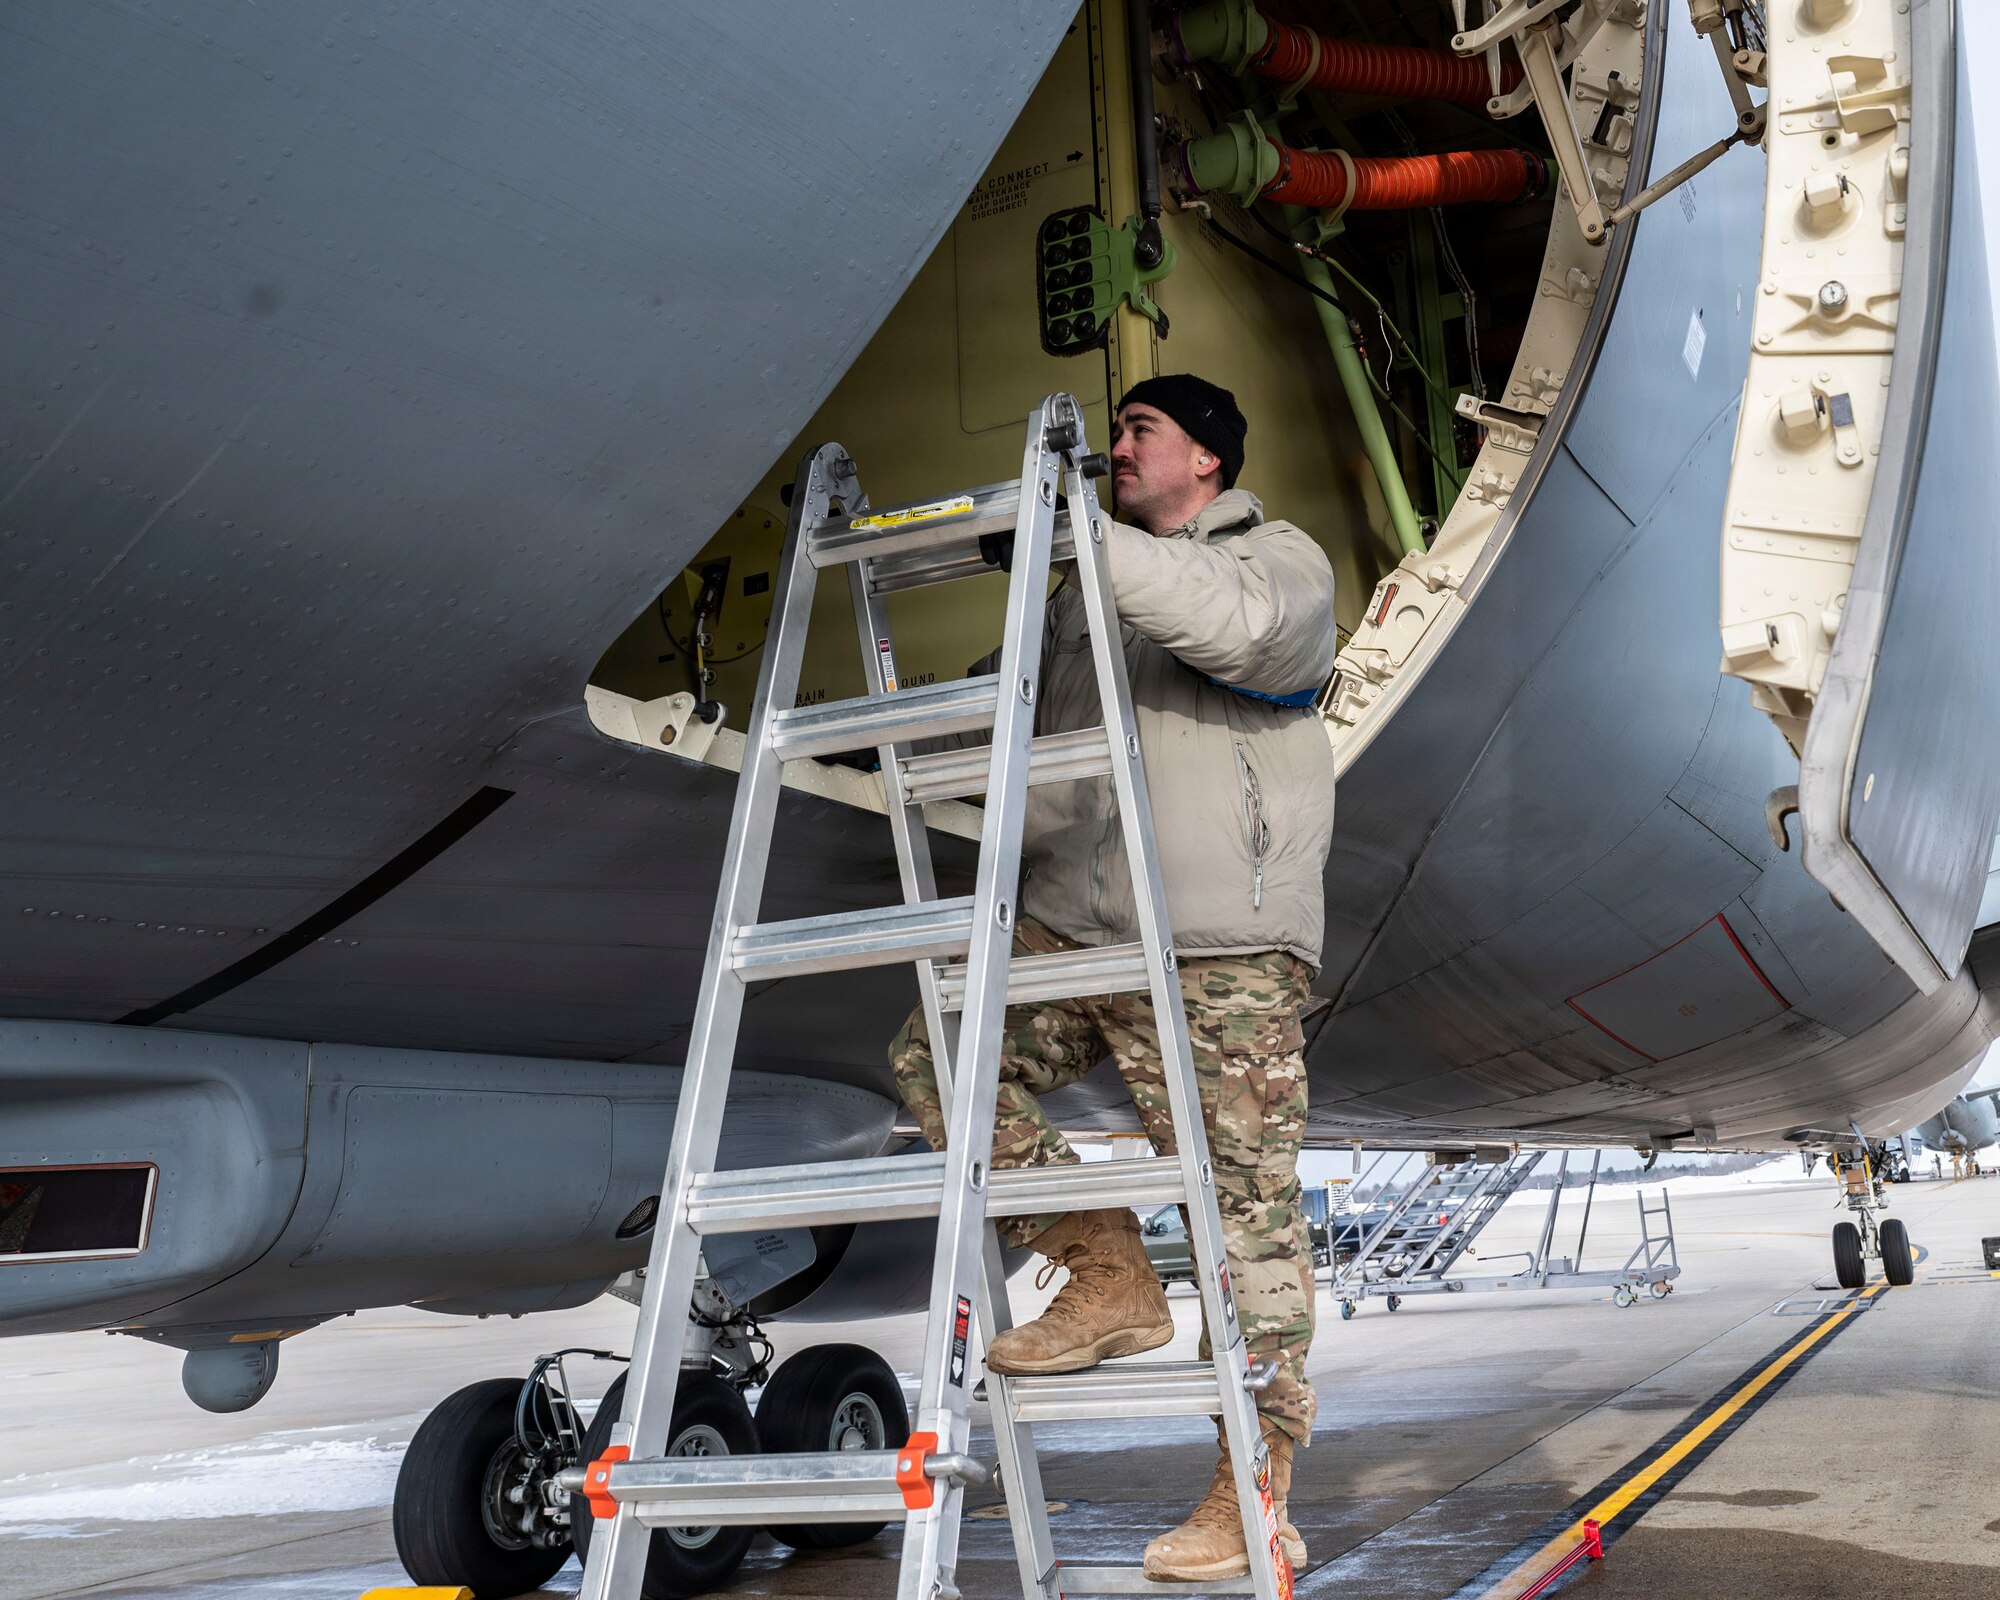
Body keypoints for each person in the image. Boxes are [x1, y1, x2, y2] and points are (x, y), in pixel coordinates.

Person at [888, 374, 1338, 1582]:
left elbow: (1248, 639)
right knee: (937, 1047)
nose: (1119, 450)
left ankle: (1250, 1492)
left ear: (1206, 460)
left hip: (1214, 945)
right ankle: (1106, 1271)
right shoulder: (1086, 596)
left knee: (1245, 1221)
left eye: (1139, 432)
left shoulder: (1275, 562)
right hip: (1073, 931)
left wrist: (1066, 538)